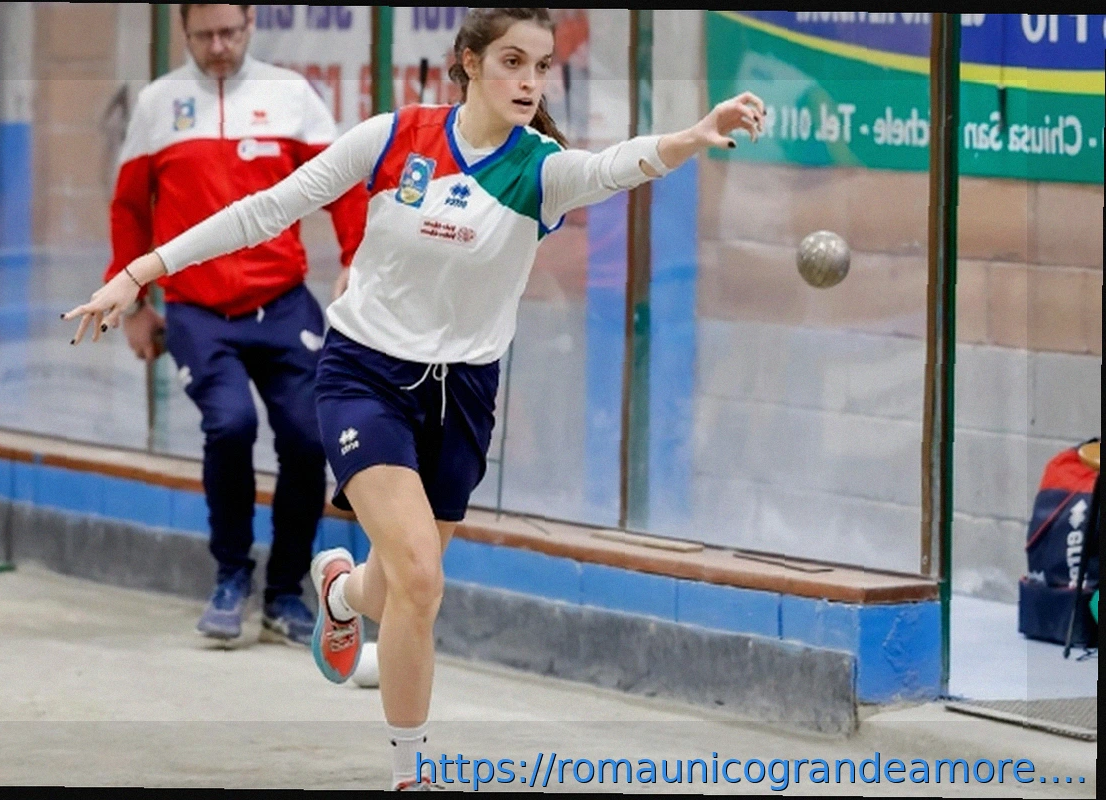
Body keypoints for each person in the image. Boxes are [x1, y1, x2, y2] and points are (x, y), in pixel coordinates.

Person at [67, 8, 764, 790]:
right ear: (467, 62)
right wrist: (141, 271)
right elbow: (267, 209)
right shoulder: (394, 138)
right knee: (422, 580)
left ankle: (338, 588)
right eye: (511, 61)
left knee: (399, 582)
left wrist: (691, 135)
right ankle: (410, 775)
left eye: (541, 65)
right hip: (365, 374)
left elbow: (615, 167)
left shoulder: (540, 169)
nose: (529, 81)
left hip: (463, 391)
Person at [103, 3, 367, 646]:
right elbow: (130, 208)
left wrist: (358, 264)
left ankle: (283, 592)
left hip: (282, 303)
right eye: (204, 35)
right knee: (230, 425)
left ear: (250, 25)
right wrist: (136, 303)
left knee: (308, 439)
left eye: (230, 32)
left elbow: (344, 189)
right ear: (184, 32)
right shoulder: (158, 104)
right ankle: (230, 577)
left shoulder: (291, 96)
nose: (219, 46)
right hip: (197, 309)